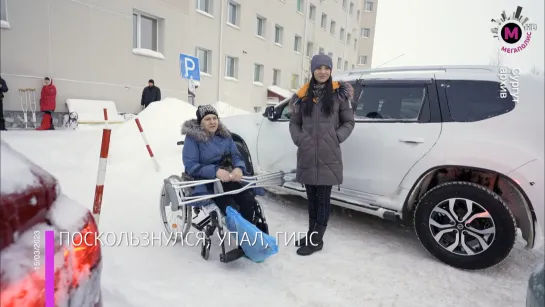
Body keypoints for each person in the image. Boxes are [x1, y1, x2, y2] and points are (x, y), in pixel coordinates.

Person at [288, 54, 355, 256]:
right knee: (311, 198)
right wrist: (299, 139)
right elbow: (294, 122)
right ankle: (311, 234)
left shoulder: (339, 95)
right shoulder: (302, 96)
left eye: (327, 68)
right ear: (313, 70)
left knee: (323, 198)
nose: (323, 72)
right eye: (319, 68)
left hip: (329, 153)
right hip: (307, 153)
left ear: (331, 71)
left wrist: (336, 137)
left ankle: (317, 240)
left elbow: (349, 122)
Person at [181, 104, 266, 232]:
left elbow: (236, 155)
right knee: (230, 206)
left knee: (248, 199)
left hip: (227, 177)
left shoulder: (225, 136)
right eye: (208, 119)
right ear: (200, 122)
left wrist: (239, 168)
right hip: (207, 182)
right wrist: (215, 171)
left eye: (215, 118)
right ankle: (243, 236)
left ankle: (248, 240)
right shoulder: (193, 138)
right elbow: (190, 165)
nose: (212, 122)